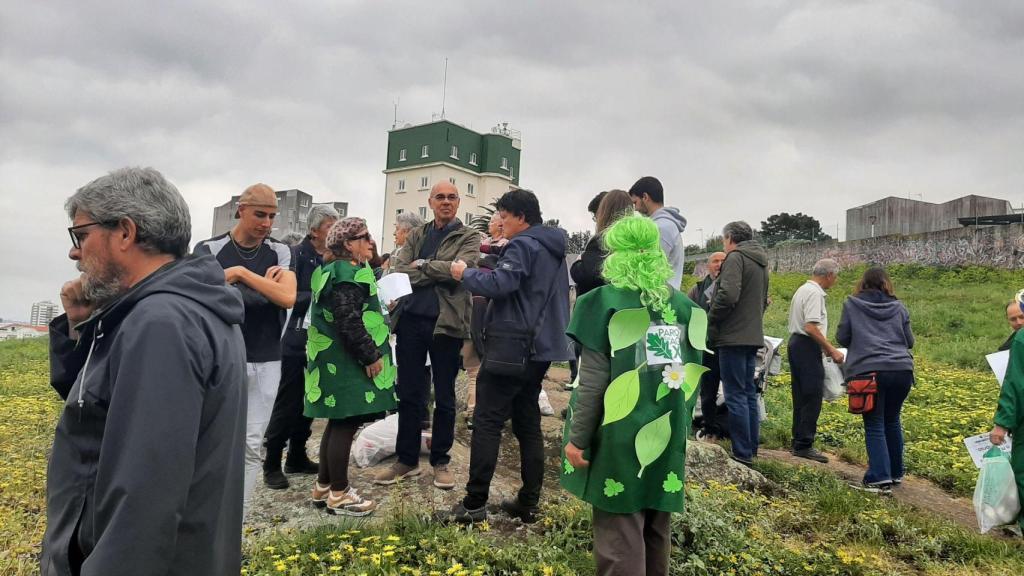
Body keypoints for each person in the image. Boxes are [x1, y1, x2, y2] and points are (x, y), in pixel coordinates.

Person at [42, 167, 247, 576]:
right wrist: (81, 326)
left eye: (81, 235)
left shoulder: (160, 323)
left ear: (124, 232)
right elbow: (99, 417)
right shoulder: (179, 308)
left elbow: (144, 499)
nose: (74, 253)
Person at [561, 213, 701, 576]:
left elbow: (593, 382)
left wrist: (577, 439)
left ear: (615, 254)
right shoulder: (685, 308)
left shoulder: (603, 302)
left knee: (619, 536)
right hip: (666, 433)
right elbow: (692, 377)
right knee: (656, 527)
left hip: (618, 436)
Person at [448, 188, 572, 523]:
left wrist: (464, 274)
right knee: (527, 422)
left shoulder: (523, 245)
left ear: (521, 216)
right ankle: (528, 501)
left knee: (487, 421)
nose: (500, 223)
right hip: (540, 348)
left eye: (504, 216)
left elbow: (501, 284)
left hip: (512, 345)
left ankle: (474, 503)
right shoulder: (553, 248)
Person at [194, 183, 297, 513]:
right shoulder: (209, 249)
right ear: (241, 210)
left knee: (252, 444)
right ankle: (204, 514)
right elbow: (204, 295)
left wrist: (239, 275)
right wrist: (264, 289)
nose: (266, 223)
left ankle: (235, 520)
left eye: (272, 216)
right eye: (260, 215)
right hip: (221, 357)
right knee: (210, 439)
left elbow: (287, 297)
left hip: (265, 359)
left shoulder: (281, 252)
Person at [376, 181, 480, 490]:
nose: (446, 202)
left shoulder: (469, 236)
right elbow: (400, 270)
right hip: (410, 321)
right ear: (431, 202)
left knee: (445, 396)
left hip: (446, 324)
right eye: (440, 197)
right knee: (409, 394)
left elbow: (461, 272)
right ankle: (406, 460)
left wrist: (423, 265)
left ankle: (440, 461)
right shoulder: (417, 234)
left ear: (458, 202)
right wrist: (438, 270)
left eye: (451, 197)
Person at [306, 218, 398, 515]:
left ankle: (323, 486)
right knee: (345, 424)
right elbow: (348, 319)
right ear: (348, 244)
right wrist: (370, 355)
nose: (371, 242)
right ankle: (340, 493)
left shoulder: (330, 270)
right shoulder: (347, 272)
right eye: (364, 237)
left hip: (332, 360)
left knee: (336, 423)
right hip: (345, 361)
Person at [263, 204, 339, 489]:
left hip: (320, 340)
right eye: (330, 226)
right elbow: (287, 295)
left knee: (311, 398)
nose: (334, 232)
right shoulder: (294, 255)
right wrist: (322, 295)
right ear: (315, 230)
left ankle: (296, 455)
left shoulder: (331, 258)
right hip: (294, 339)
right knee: (288, 401)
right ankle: (272, 462)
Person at [837, 267, 915, 493]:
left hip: (868, 370)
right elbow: (909, 341)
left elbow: (842, 337)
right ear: (886, 284)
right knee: (892, 420)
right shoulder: (899, 306)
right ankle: (895, 472)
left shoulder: (852, 304)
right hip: (902, 369)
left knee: (874, 423)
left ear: (862, 284)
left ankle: (879, 478)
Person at [707, 221, 769, 466]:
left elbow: (728, 295)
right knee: (748, 393)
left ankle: (741, 453)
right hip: (752, 336)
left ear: (731, 238)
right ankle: (751, 449)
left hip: (732, 336)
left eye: (724, 240)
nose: (724, 245)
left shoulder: (736, 258)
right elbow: (763, 300)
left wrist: (712, 317)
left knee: (735, 395)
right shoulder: (761, 262)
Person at [787, 259, 844, 463]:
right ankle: (804, 443)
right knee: (812, 395)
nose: (835, 281)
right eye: (835, 277)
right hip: (807, 345)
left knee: (800, 394)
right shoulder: (815, 293)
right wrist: (830, 349)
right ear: (829, 275)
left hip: (796, 343)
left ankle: (797, 439)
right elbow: (811, 327)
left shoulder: (803, 289)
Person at [689, 251, 727, 440]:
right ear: (708, 265)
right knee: (708, 389)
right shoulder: (697, 290)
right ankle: (709, 426)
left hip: (728, 344)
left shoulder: (734, 287)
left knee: (733, 390)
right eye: (715, 261)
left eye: (723, 261)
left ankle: (729, 427)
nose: (719, 264)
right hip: (706, 345)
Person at [628, 176, 687, 289]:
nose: (635, 209)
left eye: (635, 202)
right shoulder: (666, 225)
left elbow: (650, 270)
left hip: (661, 295)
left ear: (645, 197)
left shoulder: (661, 228)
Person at [571, 190, 633, 297]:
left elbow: (586, 274)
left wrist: (578, 263)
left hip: (604, 304)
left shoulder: (602, 242)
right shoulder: (637, 241)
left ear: (604, 213)